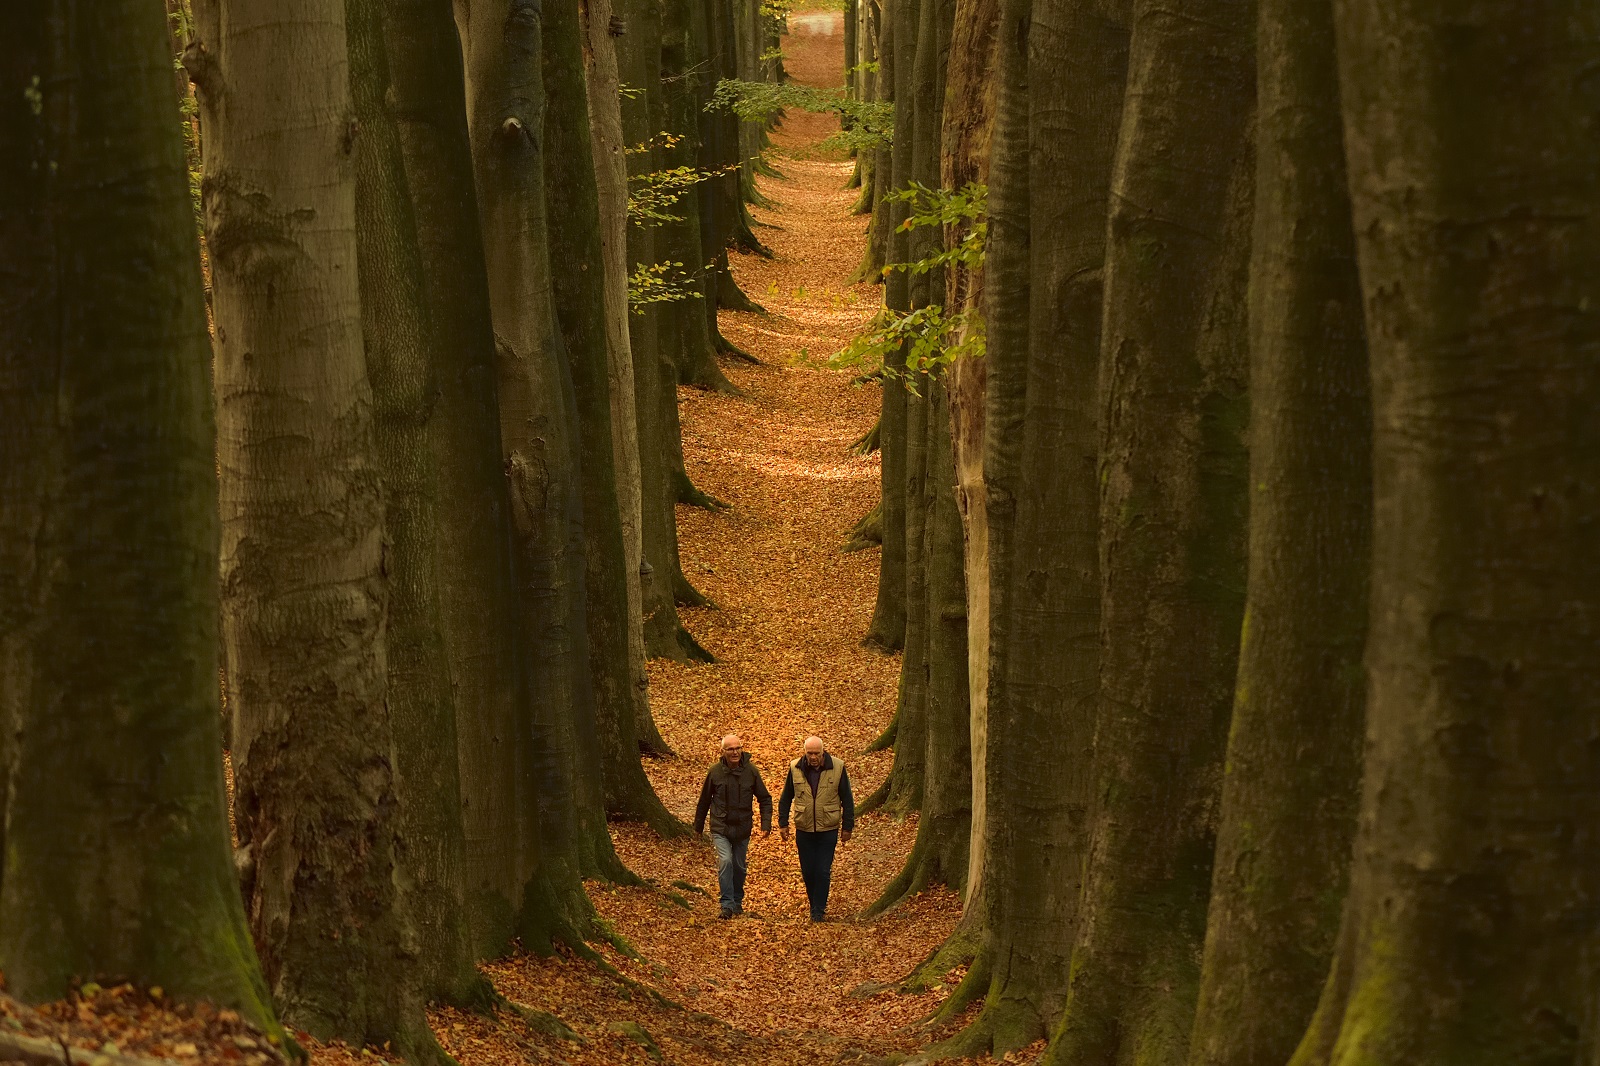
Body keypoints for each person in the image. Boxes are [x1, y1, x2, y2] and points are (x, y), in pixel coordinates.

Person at [693, 733, 772, 919]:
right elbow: (704, 801)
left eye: (737, 748)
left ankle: (737, 902)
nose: (735, 752)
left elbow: (765, 799)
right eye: (730, 749)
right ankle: (726, 905)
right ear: (723, 752)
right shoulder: (715, 772)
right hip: (720, 827)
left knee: (739, 865)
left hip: (743, 828)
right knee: (726, 861)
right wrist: (697, 827)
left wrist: (765, 824)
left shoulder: (751, 772)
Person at [778, 735, 856, 922]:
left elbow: (847, 799)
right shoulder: (795, 768)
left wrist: (848, 826)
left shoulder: (837, 767)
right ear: (804, 752)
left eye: (816, 753)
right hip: (803, 828)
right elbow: (786, 797)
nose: (813, 757)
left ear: (823, 752)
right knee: (808, 870)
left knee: (822, 870)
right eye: (810, 753)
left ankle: (818, 910)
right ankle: (814, 904)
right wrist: (783, 823)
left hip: (828, 828)